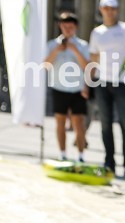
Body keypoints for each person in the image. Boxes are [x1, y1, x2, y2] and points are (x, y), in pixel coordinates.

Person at [89, 0, 125, 179]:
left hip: (123, 83)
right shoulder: (97, 33)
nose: (110, 11)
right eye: (106, 8)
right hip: (103, 83)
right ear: (101, 10)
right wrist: (87, 82)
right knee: (105, 124)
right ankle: (109, 163)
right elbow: (94, 60)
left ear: (117, 10)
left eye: (113, 8)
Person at [44, 11, 90, 162]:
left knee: (79, 123)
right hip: (59, 88)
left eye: (70, 27)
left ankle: (81, 156)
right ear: (60, 26)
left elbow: (87, 67)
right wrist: (57, 50)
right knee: (60, 123)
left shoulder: (82, 45)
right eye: (65, 27)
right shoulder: (52, 45)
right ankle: (62, 154)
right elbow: (45, 65)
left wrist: (74, 50)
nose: (67, 30)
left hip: (78, 89)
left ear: (75, 27)